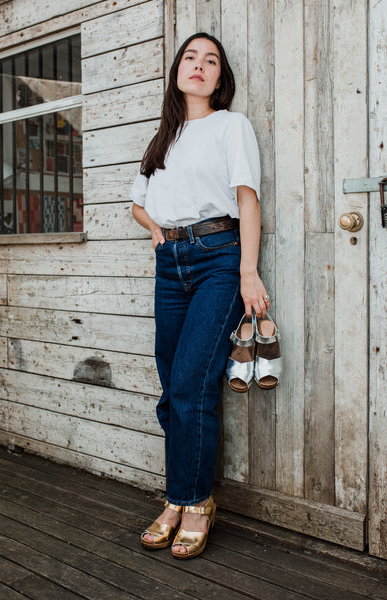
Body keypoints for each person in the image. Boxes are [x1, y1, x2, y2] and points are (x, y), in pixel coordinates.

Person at [130, 32, 270, 559]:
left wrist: (248, 271)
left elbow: (247, 199)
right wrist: (157, 230)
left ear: (219, 77)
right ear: (178, 70)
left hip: (218, 259)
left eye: (211, 61)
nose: (200, 66)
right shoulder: (163, 136)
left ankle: (190, 502)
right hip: (172, 266)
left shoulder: (230, 126)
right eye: (191, 57)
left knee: (190, 383)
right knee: (173, 390)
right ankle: (181, 498)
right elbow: (138, 201)